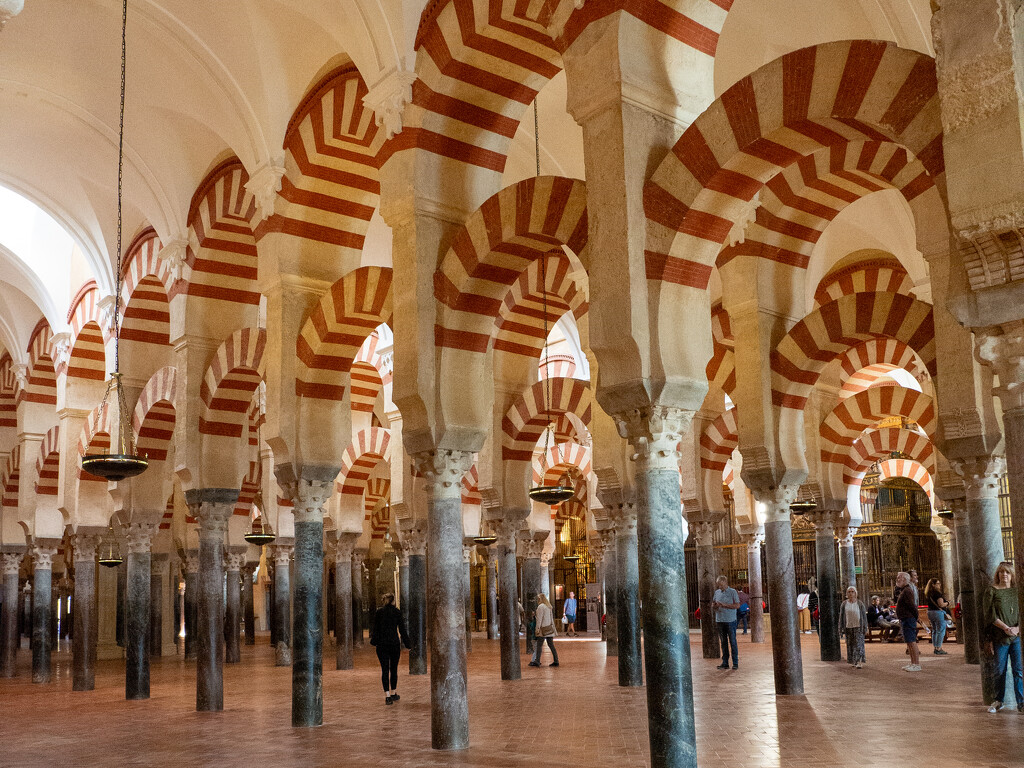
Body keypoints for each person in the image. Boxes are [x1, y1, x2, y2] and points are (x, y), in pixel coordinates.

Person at [982, 562, 1022, 714]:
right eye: (1001, 572)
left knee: (1019, 670)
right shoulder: (992, 591)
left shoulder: (1017, 591)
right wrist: (1005, 628)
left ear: (1012, 575)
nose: (1004, 575)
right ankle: (998, 700)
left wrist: (1017, 628)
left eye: (1007, 572)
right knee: (1000, 669)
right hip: (1000, 636)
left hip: (1017, 636)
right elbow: (990, 615)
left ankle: (1021, 702)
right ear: (997, 574)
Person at [369, 593, 410, 704]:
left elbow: (375, 629)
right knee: (394, 669)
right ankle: (393, 692)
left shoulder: (379, 612)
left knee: (385, 670)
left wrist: (374, 641)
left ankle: (387, 695)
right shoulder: (397, 612)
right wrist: (408, 644)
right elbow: (402, 630)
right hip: (393, 644)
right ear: (393, 601)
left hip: (382, 645)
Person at [712, 575, 740, 670]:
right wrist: (715, 605)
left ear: (725, 582)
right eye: (718, 585)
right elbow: (714, 603)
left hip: (730, 620)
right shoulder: (717, 592)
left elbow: (737, 605)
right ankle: (725, 662)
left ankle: (735, 662)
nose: (719, 587)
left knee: (732, 641)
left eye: (721, 585)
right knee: (723, 642)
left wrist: (723, 605)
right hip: (719, 620)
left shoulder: (733, 592)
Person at [895, 572, 921, 671]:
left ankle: (917, 664)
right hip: (905, 619)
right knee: (909, 643)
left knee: (912, 642)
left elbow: (912, 605)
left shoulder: (907, 591)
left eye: (899, 578)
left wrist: (916, 616)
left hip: (909, 618)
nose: (897, 579)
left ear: (905, 579)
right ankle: (912, 663)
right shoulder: (904, 590)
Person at [838, 586, 867, 668]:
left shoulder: (860, 603)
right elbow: (841, 616)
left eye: (852, 591)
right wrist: (840, 628)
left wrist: (865, 627)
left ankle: (859, 661)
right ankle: (853, 660)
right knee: (850, 644)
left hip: (858, 626)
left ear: (855, 593)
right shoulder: (844, 604)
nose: (851, 593)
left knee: (858, 644)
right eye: (849, 592)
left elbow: (864, 616)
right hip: (848, 626)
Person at [528, 593, 559, 667]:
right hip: (549, 629)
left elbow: (539, 619)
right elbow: (551, 619)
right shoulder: (549, 606)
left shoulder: (540, 607)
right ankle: (556, 661)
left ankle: (537, 661)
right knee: (551, 646)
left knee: (539, 646)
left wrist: (537, 629)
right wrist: (554, 629)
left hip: (542, 629)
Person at [924, 578, 949, 655]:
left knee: (934, 630)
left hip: (930, 612)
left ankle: (935, 647)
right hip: (938, 613)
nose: (939, 585)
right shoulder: (937, 593)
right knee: (940, 630)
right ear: (933, 585)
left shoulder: (928, 593)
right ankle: (939, 647)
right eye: (938, 583)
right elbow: (941, 604)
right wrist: (947, 603)